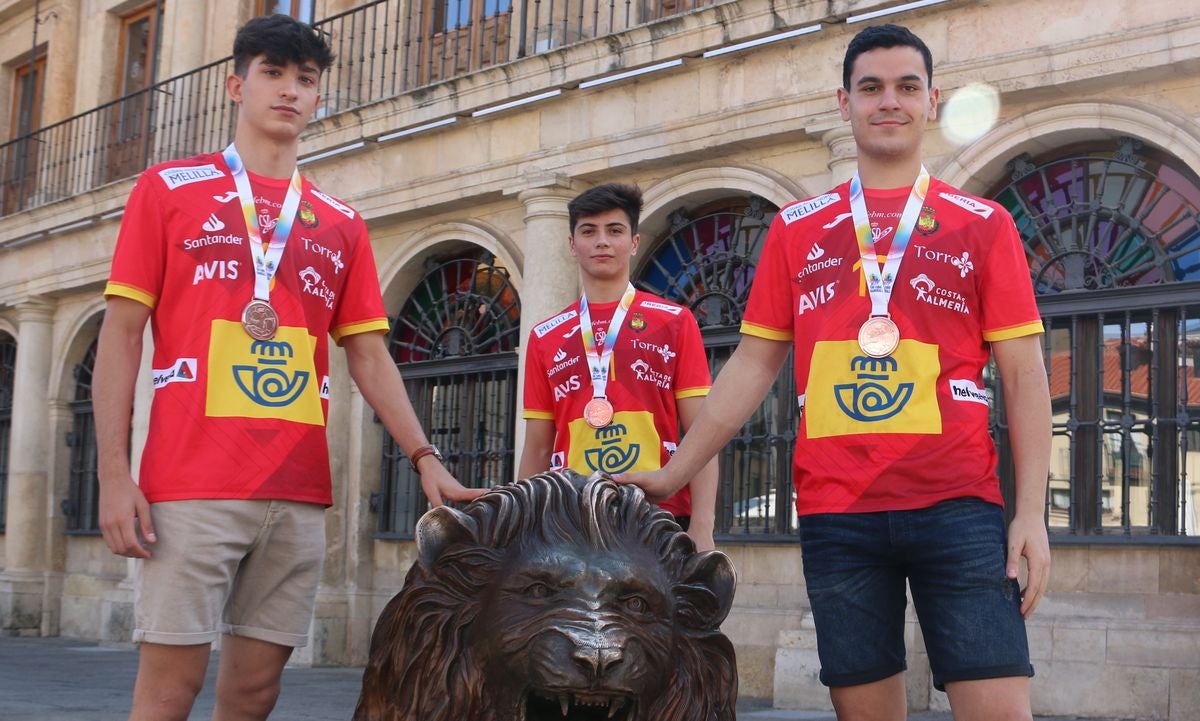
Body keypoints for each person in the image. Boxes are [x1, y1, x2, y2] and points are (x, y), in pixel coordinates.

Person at [617, 24, 1052, 721]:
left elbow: (1025, 376)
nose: (890, 101)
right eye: (871, 87)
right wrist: (673, 473)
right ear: (843, 102)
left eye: (907, 87)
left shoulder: (984, 222)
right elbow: (752, 368)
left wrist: (1029, 511)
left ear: (931, 101)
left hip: (960, 506)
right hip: (837, 513)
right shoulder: (797, 227)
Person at [93, 15, 483, 721]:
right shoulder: (168, 189)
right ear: (237, 84)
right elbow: (120, 336)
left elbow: (368, 352)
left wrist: (424, 455)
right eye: (274, 73)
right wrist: (115, 477)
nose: (290, 91)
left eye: (306, 80)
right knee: (166, 693)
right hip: (189, 487)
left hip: (297, 493)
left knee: (254, 695)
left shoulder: (339, 220)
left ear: (318, 99)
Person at [518, 183, 718, 551]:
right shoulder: (545, 336)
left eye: (614, 230)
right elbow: (537, 447)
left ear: (634, 242)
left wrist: (703, 527)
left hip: (659, 514)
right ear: (571, 244)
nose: (602, 242)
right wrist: (523, 532)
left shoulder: (674, 321)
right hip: (570, 517)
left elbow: (701, 433)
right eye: (588, 231)